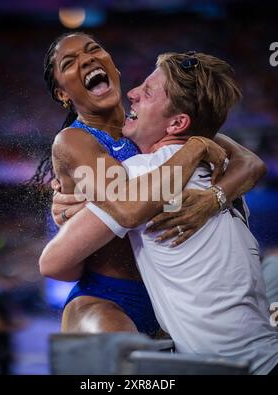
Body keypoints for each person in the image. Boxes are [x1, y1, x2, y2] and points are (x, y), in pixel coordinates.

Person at [40, 50, 278, 374]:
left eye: (147, 92)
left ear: (179, 123)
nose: (132, 94)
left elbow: (53, 261)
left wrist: (86, 204)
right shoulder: (223, 169)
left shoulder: (142, 173)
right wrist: (203, 161)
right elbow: (251, 163)